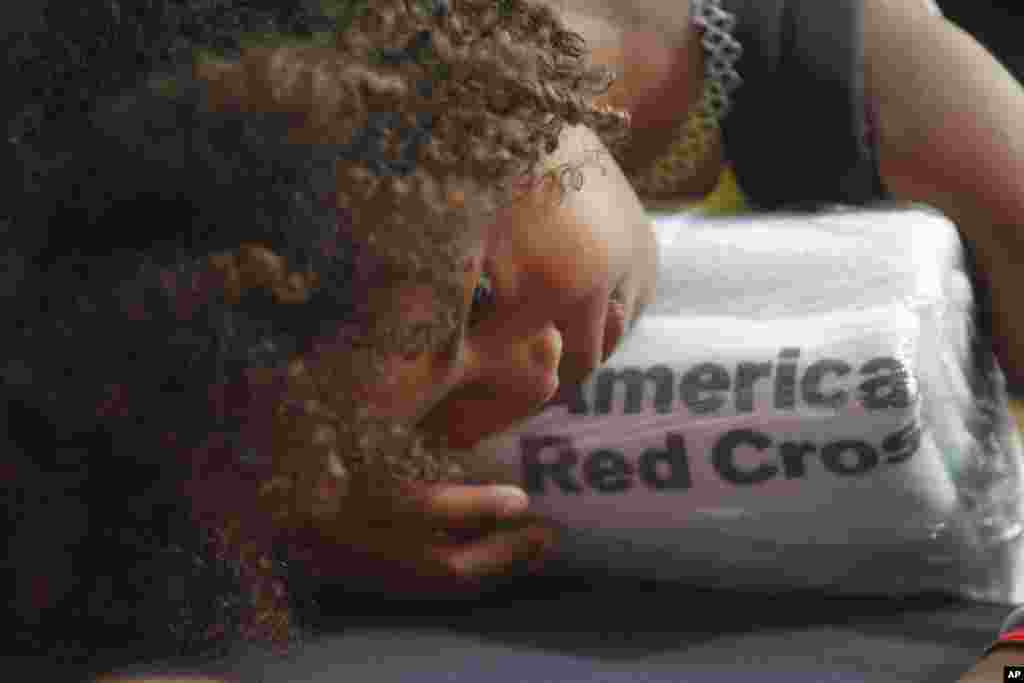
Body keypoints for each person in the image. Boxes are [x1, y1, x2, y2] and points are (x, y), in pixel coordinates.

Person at [4, 0, 1023, 681]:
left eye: (476, 300)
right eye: (442, 409)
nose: (531, 377)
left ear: (478, 83)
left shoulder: (831, 65)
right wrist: (304, 526)